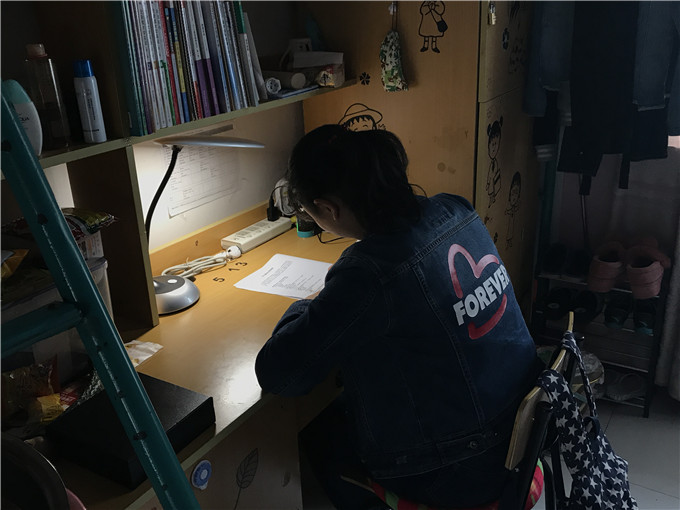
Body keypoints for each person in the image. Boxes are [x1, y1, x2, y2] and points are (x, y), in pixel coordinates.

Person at [255, 125, 542, 509]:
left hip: (466, 467)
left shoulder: (370, 272)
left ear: (327, 209)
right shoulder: (455, 209)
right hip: (521, 433)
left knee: (317, 428)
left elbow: (279, 372)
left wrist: (306, 305)